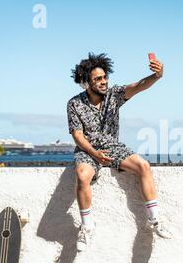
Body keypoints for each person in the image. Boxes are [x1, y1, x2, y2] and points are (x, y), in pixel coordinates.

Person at [67, 52, 171, 252]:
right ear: (85, 82)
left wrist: (156, 76)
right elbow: (77, 135)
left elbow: (138, 85)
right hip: (87, 150)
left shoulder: (114, 95)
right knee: (82, 175)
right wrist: (94, 154)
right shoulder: (74, 104)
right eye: (98, 79)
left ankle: (155, 220)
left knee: (143, 166)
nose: (104, 82)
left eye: (105, 77)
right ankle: (87, 227)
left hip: (113, 147)